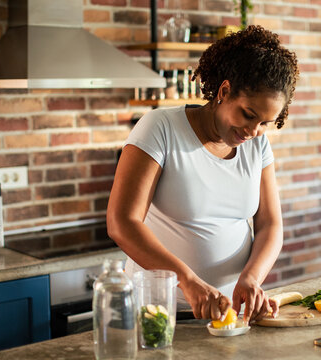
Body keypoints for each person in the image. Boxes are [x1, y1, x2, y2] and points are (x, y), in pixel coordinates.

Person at [107, 25, 299, 324]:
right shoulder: (160, 128)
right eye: (248, 115)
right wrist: (186, 280)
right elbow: (122, 223)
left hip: (230, 316)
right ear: (224, 91)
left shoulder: (258, 145)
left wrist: (252, 277)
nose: (253, 132)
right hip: (161, 312)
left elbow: (270, 224)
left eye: (265, 122)